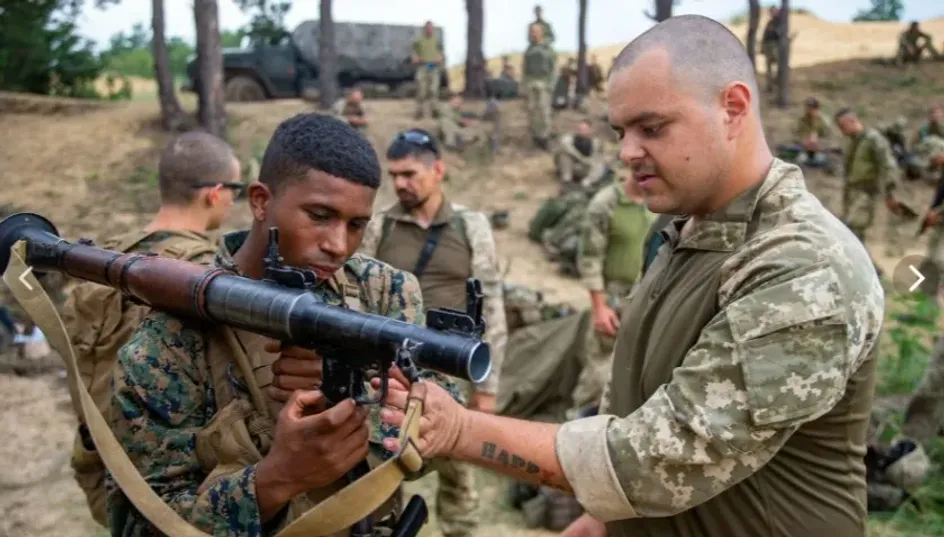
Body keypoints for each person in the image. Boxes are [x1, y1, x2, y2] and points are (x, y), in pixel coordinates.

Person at [379, 15, 885, 537]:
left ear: (732, 108)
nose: (626, 152)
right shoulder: (683, 233)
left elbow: (661, 459)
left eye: (652, 128)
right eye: (621, 132)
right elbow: (640, 392)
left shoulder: (803, 263)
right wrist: (602, 518)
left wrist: (460, 428)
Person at [107, 114, 461, 537]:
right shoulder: (171, 341)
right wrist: (276, 480)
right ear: (260, 201)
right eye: (319, 215)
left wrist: (353, 395)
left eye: (356, 225)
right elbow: (142, 525)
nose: (338, 245)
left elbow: (449, 433)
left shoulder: (384, 293)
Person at [61, 131, 240, 526]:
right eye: (236, 189)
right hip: (178, 493)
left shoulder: (95, 262)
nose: (234, 200)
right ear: (215, 193)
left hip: (103, 469)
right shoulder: (206, 280)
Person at [358, 128, 506, 537]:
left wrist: (487, 387)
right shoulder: (379, 227)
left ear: (437, 170)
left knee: (459, 481)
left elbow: (491, 304)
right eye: (395, 175)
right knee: (382, 476)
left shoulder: (470, 226)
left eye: (409, 174)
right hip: (392, 376)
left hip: (454, 371)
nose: (400, 183)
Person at [575, 176, 655, 416]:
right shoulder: (607, 203)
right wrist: (600, 307)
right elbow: (589, 257)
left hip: (648, 298)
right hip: (613, 299)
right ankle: (578, 428)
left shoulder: (663, 204)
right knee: (598, 377)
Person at [835, 107, 902, 254]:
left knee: (852, 230)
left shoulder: (873, 139)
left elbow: (888, 165)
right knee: (853, 233)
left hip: (866, 193)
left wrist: (890, 192)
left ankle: (875, 273)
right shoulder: (853, 143)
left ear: (852, 121)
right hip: (852, 194)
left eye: (842, 126)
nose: (842, 130)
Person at [522, 23, 557, 150]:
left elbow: (553, 69)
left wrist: (551, 85)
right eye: (531, 31)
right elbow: (525, 70)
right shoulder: (529, 49)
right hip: (531, 83)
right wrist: (523, 86)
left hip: (544, 83)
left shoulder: (548, 48)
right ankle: (536, 137)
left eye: (536, 31)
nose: (533, 34)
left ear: (541, 32)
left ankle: (544, 137)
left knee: (544, 111)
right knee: (532, 111)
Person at [554, 119, 608, 188]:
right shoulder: (570, 139)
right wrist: (578, 157)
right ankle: (566, 180)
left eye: (585, 129)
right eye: (580, 129)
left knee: (600, 167)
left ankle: (586, 182)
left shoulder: (595, 143)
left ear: (590, 130)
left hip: (586, 168)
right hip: (572, 166)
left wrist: (589, 179)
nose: (582, 131)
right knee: (562, 154)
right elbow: (562, 147)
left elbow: (598, 162)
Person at [411, 21, 444, 120]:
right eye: (428, 28)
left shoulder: (436, 40)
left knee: (433, 90)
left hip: (433, 67)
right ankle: (419, 112)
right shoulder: (419, 40)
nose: (430, 30)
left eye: (431, 28)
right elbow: (413, 50)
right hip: (423, 66)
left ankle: (435, 111)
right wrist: (415, 57)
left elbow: (441, 51)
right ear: (425, 29)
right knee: (421, 90)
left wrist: (440, 57)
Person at [793, 96, 832, 166]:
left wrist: (818, 142)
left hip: (820, 148)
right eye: (807, 108)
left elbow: (828, 138)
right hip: (804, 147)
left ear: (816, 108)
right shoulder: (802, 120)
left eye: (810, 108)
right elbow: (797, 135)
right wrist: (804, 141)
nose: (808, 110)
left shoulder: (823, 121)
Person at [760, 6, 782, 93]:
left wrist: (775, 30)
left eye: (774, 11)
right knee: (768, 68)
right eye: (771, 11)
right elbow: (764, 36)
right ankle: (770, 86)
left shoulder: (780, 22)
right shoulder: (769, 23)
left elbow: (781, 35)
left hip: (776, 46)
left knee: (779, 67)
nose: (772, 13)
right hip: (768, 46)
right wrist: (762, 48)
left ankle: (778, 84)